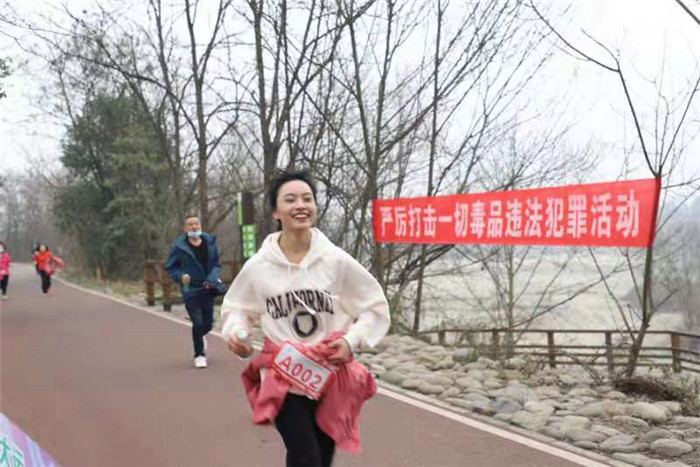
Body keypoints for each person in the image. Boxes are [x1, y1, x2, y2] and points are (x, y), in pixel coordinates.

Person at [222, 170, 390, 467]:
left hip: (329, 373)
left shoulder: (336, 261)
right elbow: (238, 308)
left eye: (307, 199)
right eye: (290, 200)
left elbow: (374, 307)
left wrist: (351, 341)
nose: (300, 205)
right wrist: (236, 332)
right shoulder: (259, 266)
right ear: (275, 212)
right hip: (283, 375)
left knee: (322, 457)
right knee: (305, 456)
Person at [165, 214, 223, 369]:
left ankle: (201, 336)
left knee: (208, 323)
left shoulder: (210, 242)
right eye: (190, 224)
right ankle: (199, 355)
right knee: (197, 322)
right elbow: (170, 266)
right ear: (185, 228)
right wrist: (180, 276)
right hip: (190, 289)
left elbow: (216, 265)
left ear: (200, 225)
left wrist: (212, 279)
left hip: (208, 288)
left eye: (196, 223)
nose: (194, 227)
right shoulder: (179, 247)